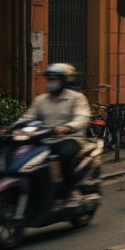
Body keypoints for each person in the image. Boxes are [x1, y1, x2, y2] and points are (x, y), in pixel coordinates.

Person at [14, 64, 90, 204]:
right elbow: (28, 117)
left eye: (55, 79)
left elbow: (82, 118)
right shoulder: (40, 100)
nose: (51, 83)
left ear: (64, 80)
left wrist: (67, 127)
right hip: (45, 139)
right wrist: (12, 127)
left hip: (71, 138)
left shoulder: (77, 98)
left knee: (64, 155)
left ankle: (70, 190)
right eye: (49, 79)